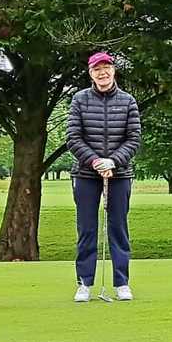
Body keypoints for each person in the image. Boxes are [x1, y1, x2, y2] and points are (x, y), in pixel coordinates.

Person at [66, 51, 141, 302]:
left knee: (118, 228)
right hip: (86, 173)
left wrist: (114, 161)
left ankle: (122, 283)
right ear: (91, 73)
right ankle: (84, 283)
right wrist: (96, 162)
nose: (103, 73)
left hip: (119, 174)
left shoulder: (128, 101)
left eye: (106, 68)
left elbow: (133, 139)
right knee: (87, 229)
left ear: (113, 70)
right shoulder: (80, 99)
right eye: (97, 69)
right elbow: (73, 138)